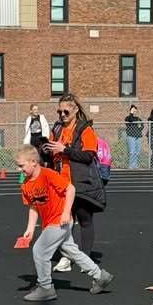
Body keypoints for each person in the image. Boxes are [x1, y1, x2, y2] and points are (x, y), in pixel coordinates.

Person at [15, 145, 113, 301]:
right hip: (51, 224)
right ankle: (100, 276)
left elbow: (70, 189)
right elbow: (33, 207)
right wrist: (30, 229)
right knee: (71, 251)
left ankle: (45, 287)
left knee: (39, 251)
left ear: (33, 162)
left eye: (21, 165)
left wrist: (66, 212)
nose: (19, 169)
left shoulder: (48, 175)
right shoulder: (26, 185)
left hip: (60, 221)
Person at [43, 92, 106, 271]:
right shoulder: (56, 129)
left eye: (65, 112)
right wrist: (46, 149)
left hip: (80, 182)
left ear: (75, 110)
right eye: (59, 112)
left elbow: (88, 156)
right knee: (64, 221)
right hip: (60, 182)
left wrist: (66, 149)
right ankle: (67, 257)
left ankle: (85, 258)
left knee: (84, 218)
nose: (62, 116)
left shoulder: (85, 129)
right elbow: (50, 153)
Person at [124, 104, 143, 169]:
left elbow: (141, 126)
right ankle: (131, 166)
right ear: (130, 111)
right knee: (132, 151)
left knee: (137, 152)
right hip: (131, 136)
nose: (134, 111)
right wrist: (131, 113)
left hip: (138, 137)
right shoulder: (128, 118)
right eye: (133, 110)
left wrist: (139, 127)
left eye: (135, 110)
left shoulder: (139, 119)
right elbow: (130, 120)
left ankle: (135, 165)